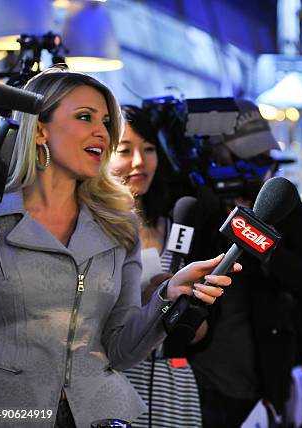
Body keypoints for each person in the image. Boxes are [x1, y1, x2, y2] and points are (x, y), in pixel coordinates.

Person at [0, 66, 237, 427]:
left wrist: (167, 294)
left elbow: (119, 351)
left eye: (106, 122)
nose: (101, 132)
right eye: (85, 117)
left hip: (99, 415)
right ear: (40, 128)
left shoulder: (118, 224)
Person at [188, 99, 302, 427]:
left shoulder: (286, 208)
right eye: (246, 159)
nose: (258, 171)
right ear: (217, 158)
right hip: (201, 381)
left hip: (262, 381)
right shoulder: (193, 208)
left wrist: (259, 236)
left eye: (264, 159)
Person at [109, 105, 204, 427]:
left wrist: (190, 315)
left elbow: (199, 331)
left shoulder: (175, 224)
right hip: (117, 379)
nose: (140, 161)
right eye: (125, 150)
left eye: (149, 149)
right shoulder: (92, 228)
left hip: (174, 379)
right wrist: (150, 298)